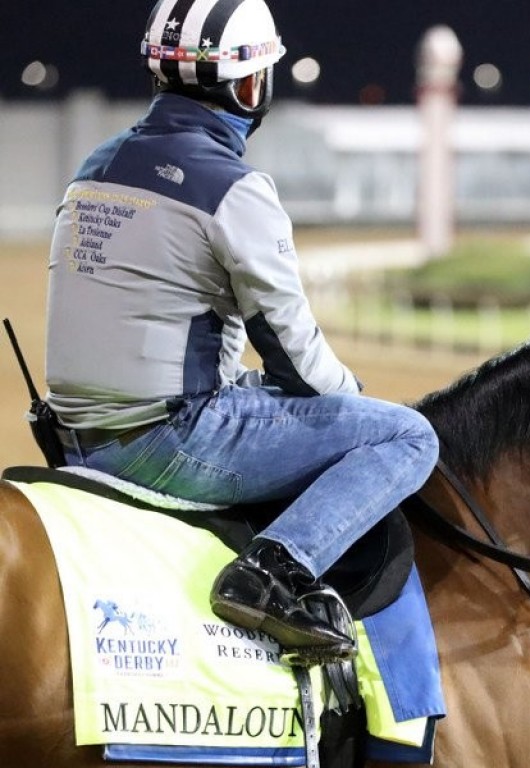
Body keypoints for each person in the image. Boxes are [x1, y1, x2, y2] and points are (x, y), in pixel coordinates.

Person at [45, 0, 439, 659]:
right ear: (251, 85)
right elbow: (300, 366)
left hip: (74, 441)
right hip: (170, 443)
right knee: (406, 434)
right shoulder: (236, 188)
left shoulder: (95, 165)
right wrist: (350, 396)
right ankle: (272, 574)